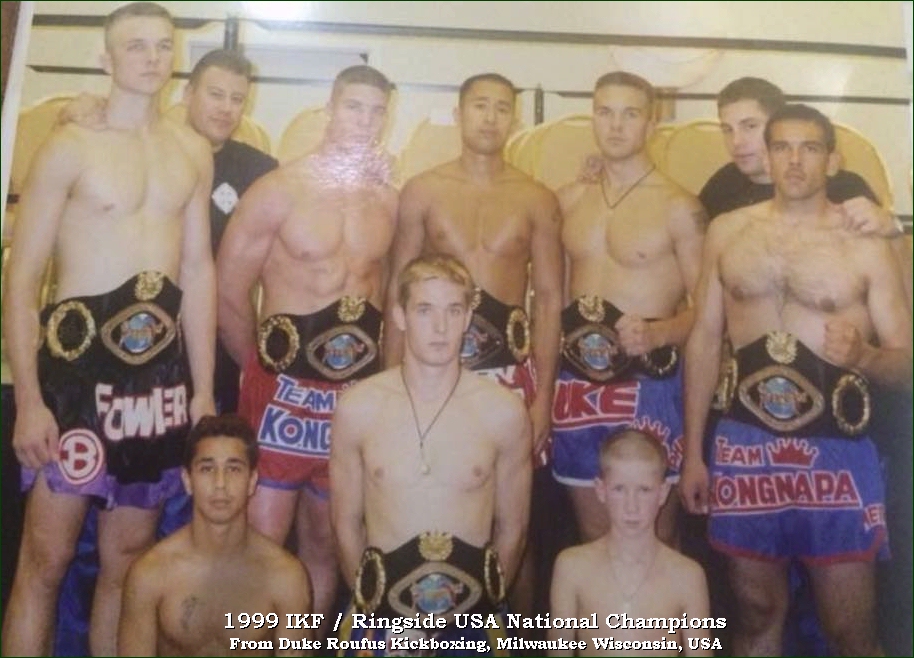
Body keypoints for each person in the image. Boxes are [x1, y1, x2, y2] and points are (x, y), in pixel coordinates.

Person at [1, 3, 215, 656]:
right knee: (45, 559)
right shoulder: (69, 145)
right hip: (74, 379)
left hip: (157, 384)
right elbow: (23, 278)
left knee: (129, 563)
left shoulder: (191, 149)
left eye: (162, 46)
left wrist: (204, 391)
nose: (152, 58)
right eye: (136, 46)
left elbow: (197, 270)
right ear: (106, 59)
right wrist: (29, 399)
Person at [679, 104, 912, 656]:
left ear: (832, 160)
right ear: (766, 156)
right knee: (756, 614)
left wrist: (864, 356)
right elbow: (705, 340)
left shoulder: (866, 244)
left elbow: (907, 363)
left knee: (850, 630)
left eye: (810, 148)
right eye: (782, 147)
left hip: (837, 450)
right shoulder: (728, 231)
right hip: (745, 443)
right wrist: (693, 454)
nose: (795, 160)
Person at [216, 64, 397, 625]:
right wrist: (257, 366)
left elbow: (391, 295)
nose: (364, 121)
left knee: (327, 539)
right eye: (353, 107)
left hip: (351, 391)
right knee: (263, 539)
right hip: (282, 388)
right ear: (329, 109)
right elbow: (228, 292)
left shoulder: (388, 199)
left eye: (376, 111)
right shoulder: (278, 190)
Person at [386, 72, 563, 617]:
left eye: (502, 108)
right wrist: (391, 385)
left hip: (509, 373)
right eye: (480, 106)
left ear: (515, 118)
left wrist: (544, 398)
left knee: (514, 519)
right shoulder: (423, 190)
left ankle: (514, 639)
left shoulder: (536, 197)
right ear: (459, 113)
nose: (490, 117)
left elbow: (550, 300)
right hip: (432, 374)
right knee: (433, 502)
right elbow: (397, 290)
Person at [330, 254, 532, 653]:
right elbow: (345, 526)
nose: (441, 327)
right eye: (425, 310)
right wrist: (378, 612)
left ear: (468, 317)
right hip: (380, 616)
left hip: (473, 616)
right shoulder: (359, 407)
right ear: (400, 316)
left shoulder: (503, 411)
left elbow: (513, 531)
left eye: (453, 310)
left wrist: (478, 610)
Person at [552, 71, 706, 545]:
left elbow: (709, 314)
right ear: (592, 118)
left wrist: (661, 333)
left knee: (653, 538)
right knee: (593, 538)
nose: (616, 125)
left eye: (630, 114)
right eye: (605, 112)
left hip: (649, 385)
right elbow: (554, 300)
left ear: (651, 124)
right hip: (578, 386)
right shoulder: (568, 200)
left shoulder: (679, 206)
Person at [118, 414, 311, 656]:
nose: (220, 483)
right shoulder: (150, 574)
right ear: (188, 480)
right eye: (207, 469)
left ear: (252, 481)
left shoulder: (286, 577)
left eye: (234, 469)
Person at [549, 430, 713, 657]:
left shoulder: (688, 577)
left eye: (644, 490)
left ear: (663, 493)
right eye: (619, 489)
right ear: (601, 490)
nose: (632, 506)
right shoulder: (571, 568)